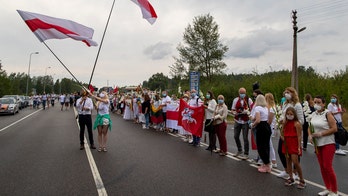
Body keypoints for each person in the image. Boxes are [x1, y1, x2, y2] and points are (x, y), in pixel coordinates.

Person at [309, 95, 338, 196]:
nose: (316, 104)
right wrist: (310, 135)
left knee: (327, 166)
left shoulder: (328, 114)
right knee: (322, 167)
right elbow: (310, 126)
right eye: (315, 102)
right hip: (318, 144)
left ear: (323, 104)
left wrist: (321, 134)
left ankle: (334, 190)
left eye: (319, 102)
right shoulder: (313, 114)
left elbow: (334, 128)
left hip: (328, 143)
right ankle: (327, 187)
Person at [276, 87, 304, 179]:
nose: (286, 94)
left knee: (294, 153)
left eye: (288, 92)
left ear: (293, 93)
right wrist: (281, 120)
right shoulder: (285, 103)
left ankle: (295, 172)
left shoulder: (297, 105)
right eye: (285, 92)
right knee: (281, 151)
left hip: (293, 132)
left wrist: (291, 122)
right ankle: (287, 170)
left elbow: (301, 120)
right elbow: (283, 115)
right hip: (284, 131)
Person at [282, 107, 305, 189]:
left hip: (294, 143)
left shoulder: (297, 124)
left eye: (291, 114)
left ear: (294, 114)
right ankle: (291, 177)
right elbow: (282, 131)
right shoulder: (285, 122)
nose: (289, 115)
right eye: (288, 114)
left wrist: (299, 147)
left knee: (295, 161)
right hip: (286, 142)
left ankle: (302, 179)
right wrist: (282, 137)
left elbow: (299, 136)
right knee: (288, 160)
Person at [250, 95, 272, 172]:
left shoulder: (257, 108)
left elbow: (258, 120)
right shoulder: (266, 108)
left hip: (261, 127)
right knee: (266, 146)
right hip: (266, 126)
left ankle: (266, 164)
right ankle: (266, 163)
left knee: (260, 147)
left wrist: (253, 124)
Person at [231, 87, 253, 159]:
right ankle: (239, 149)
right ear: (239, 93)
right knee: (235, 136)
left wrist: (247, 112)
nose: (242, 94)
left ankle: (246, 153)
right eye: (241, 93)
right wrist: (235, 113)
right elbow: (232, 109)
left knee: (245, 138)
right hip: (238, 120)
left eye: (243, 93)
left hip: (245, 121)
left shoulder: (248, 100)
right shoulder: (235, 100)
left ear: (245, 93)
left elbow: (252, 109)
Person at [265, 93, 277, 168]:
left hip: (269, 127)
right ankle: (272, 160)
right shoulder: (269, 107)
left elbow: (270, 120)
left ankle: (273, 161)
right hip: (269, 127)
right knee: (268, 144)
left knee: (269, 144)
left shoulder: (272, 108)